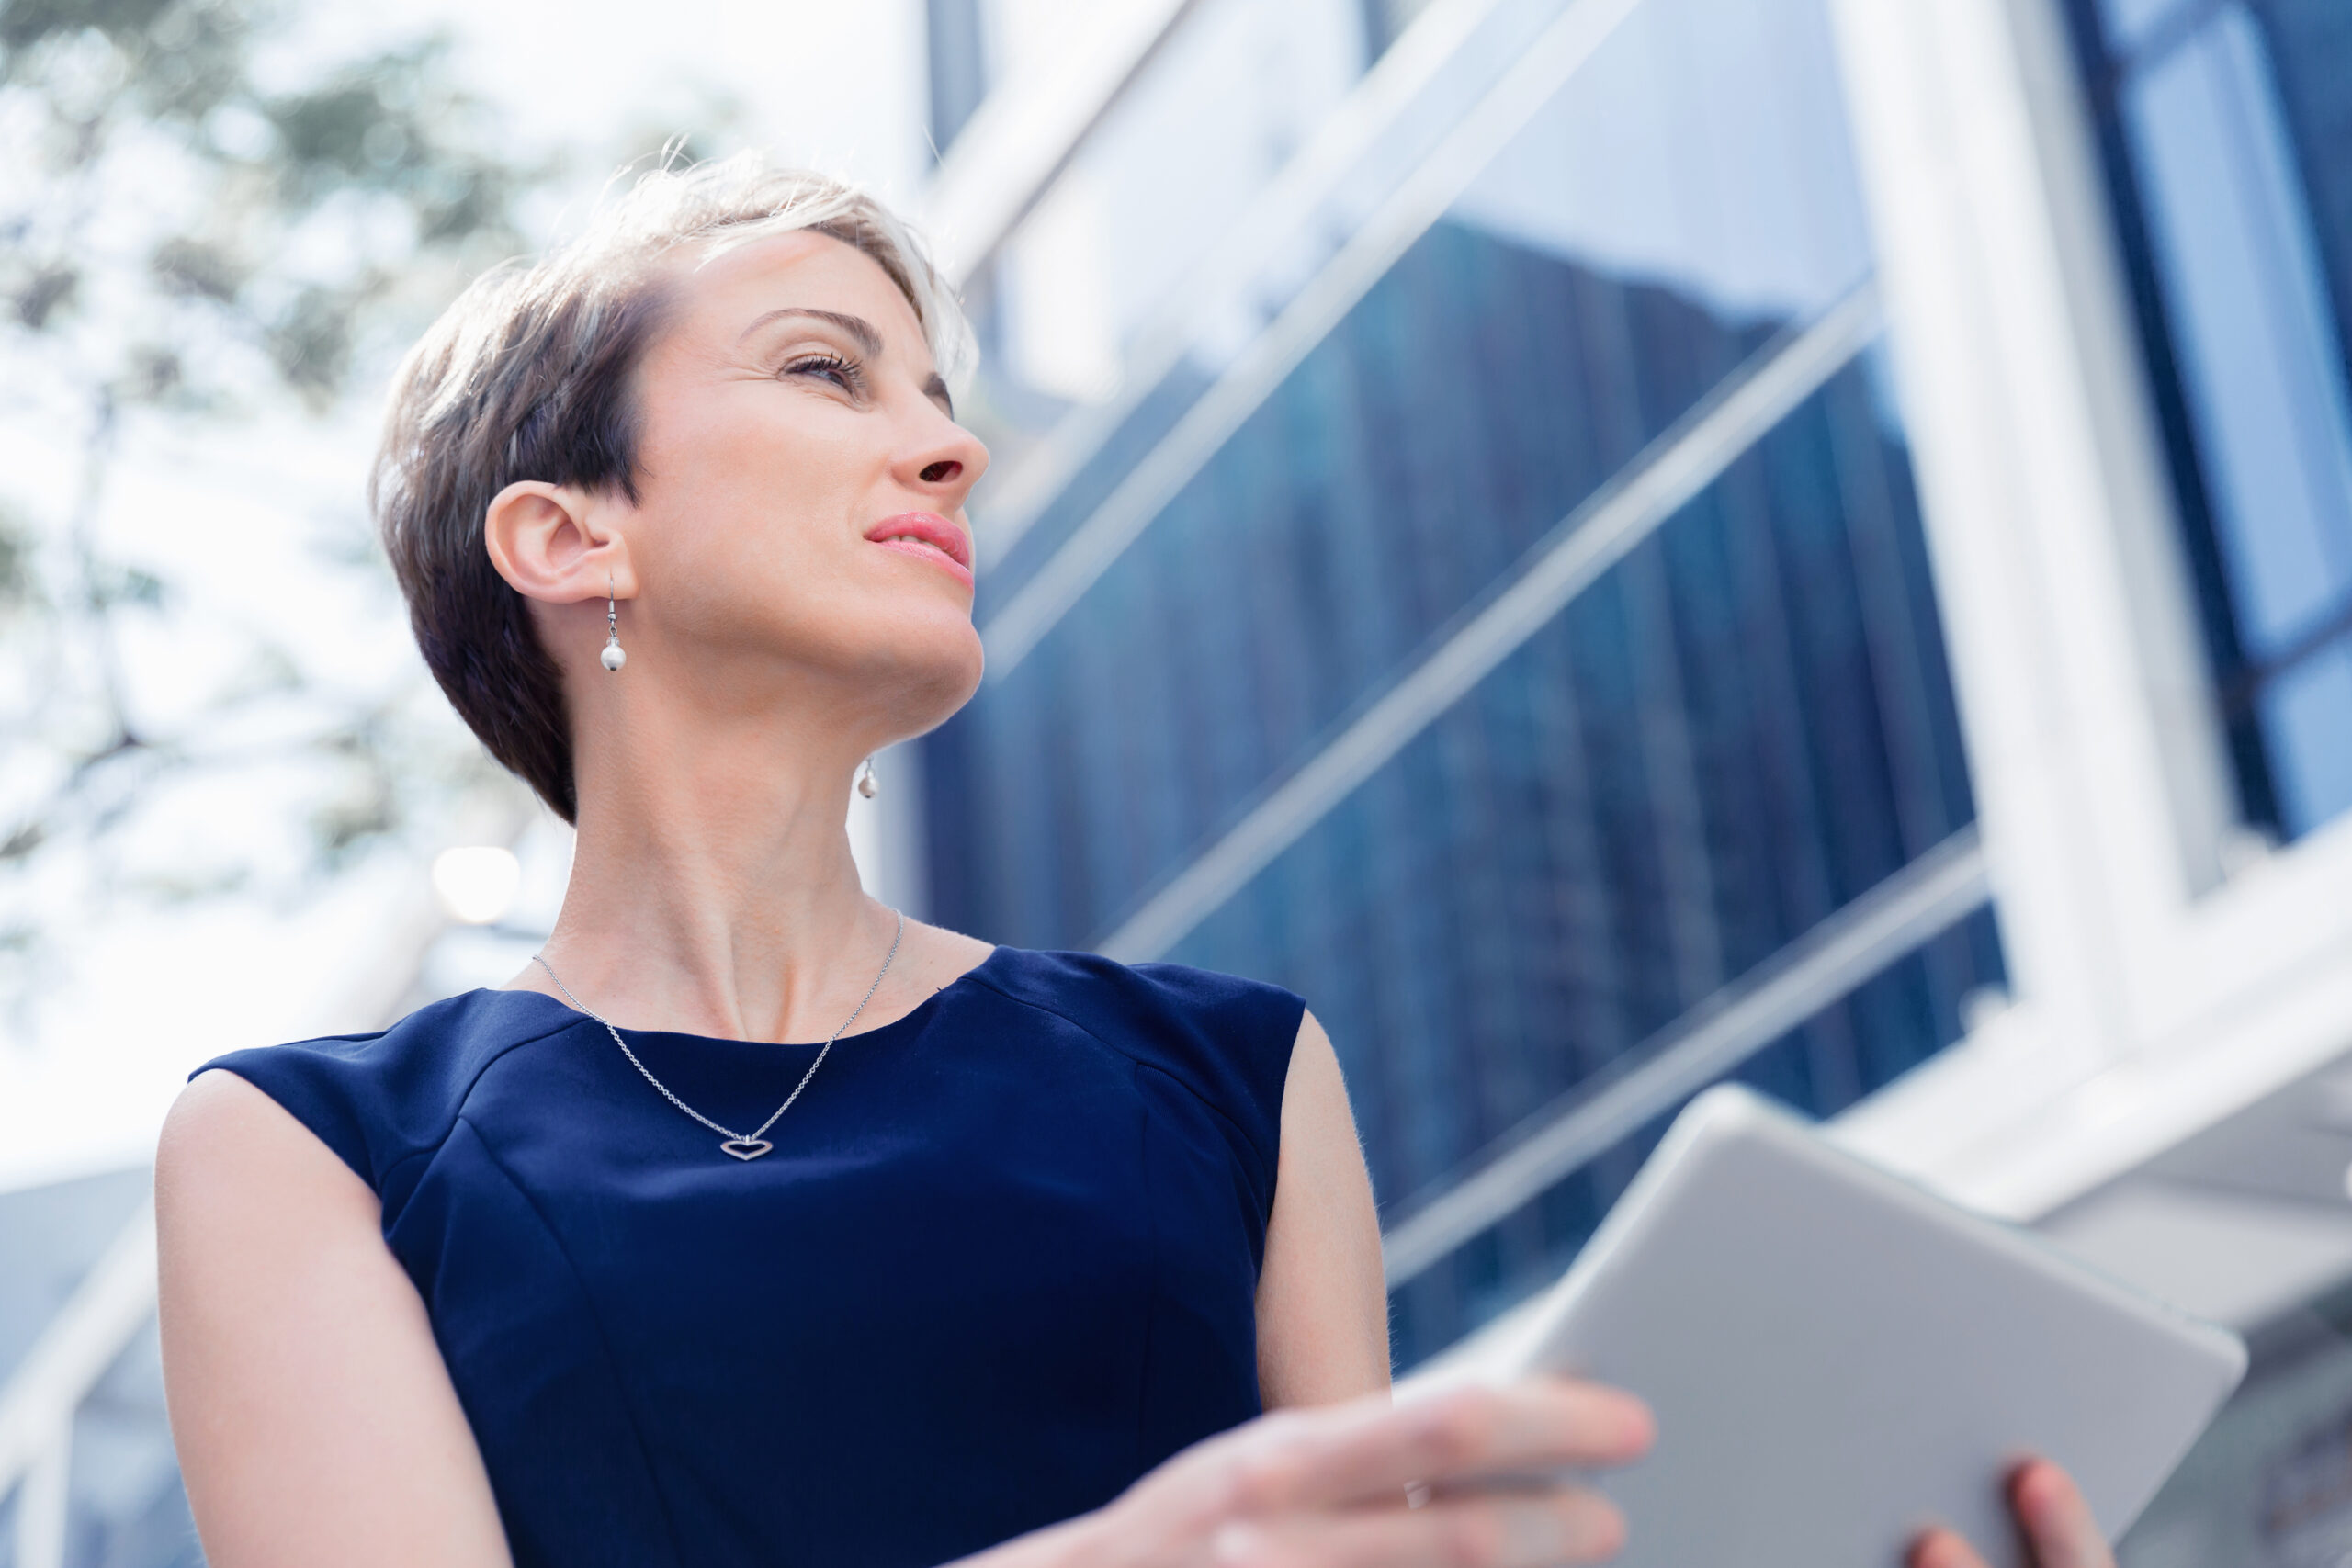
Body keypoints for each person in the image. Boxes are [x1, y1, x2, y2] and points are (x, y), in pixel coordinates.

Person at [153, 155, 2112, 1568]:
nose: (949, 450)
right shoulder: (306, 1148)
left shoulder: (1227, 1077)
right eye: (831, 372)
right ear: (572, 537)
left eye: (940, 394)